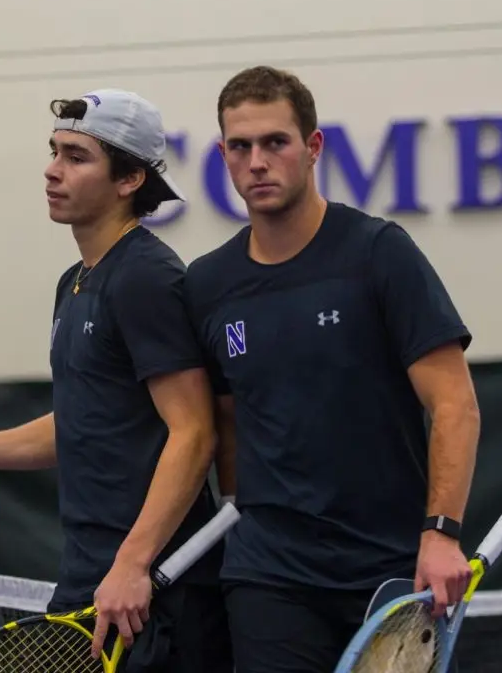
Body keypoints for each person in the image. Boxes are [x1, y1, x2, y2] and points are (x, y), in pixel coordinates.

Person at [0, 89, 234, 672]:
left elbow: (193, 433)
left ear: (130, 178)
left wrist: (134, 564)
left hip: (154, 590)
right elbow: (80, 422)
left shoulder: (146, 278)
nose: (52, 169)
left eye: (76, 156)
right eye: (54, 151)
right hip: (91, 576)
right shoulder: (75, 281)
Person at [184, 65, 480, 672]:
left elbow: (455, 404)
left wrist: (442, 532)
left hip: (388, 573)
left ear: (313, 147)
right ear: (223, 155)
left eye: (276, 142)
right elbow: (225, 421)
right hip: (269, 575)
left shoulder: (378, 252)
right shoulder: (208, 284)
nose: (257, 161)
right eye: (240, 147)